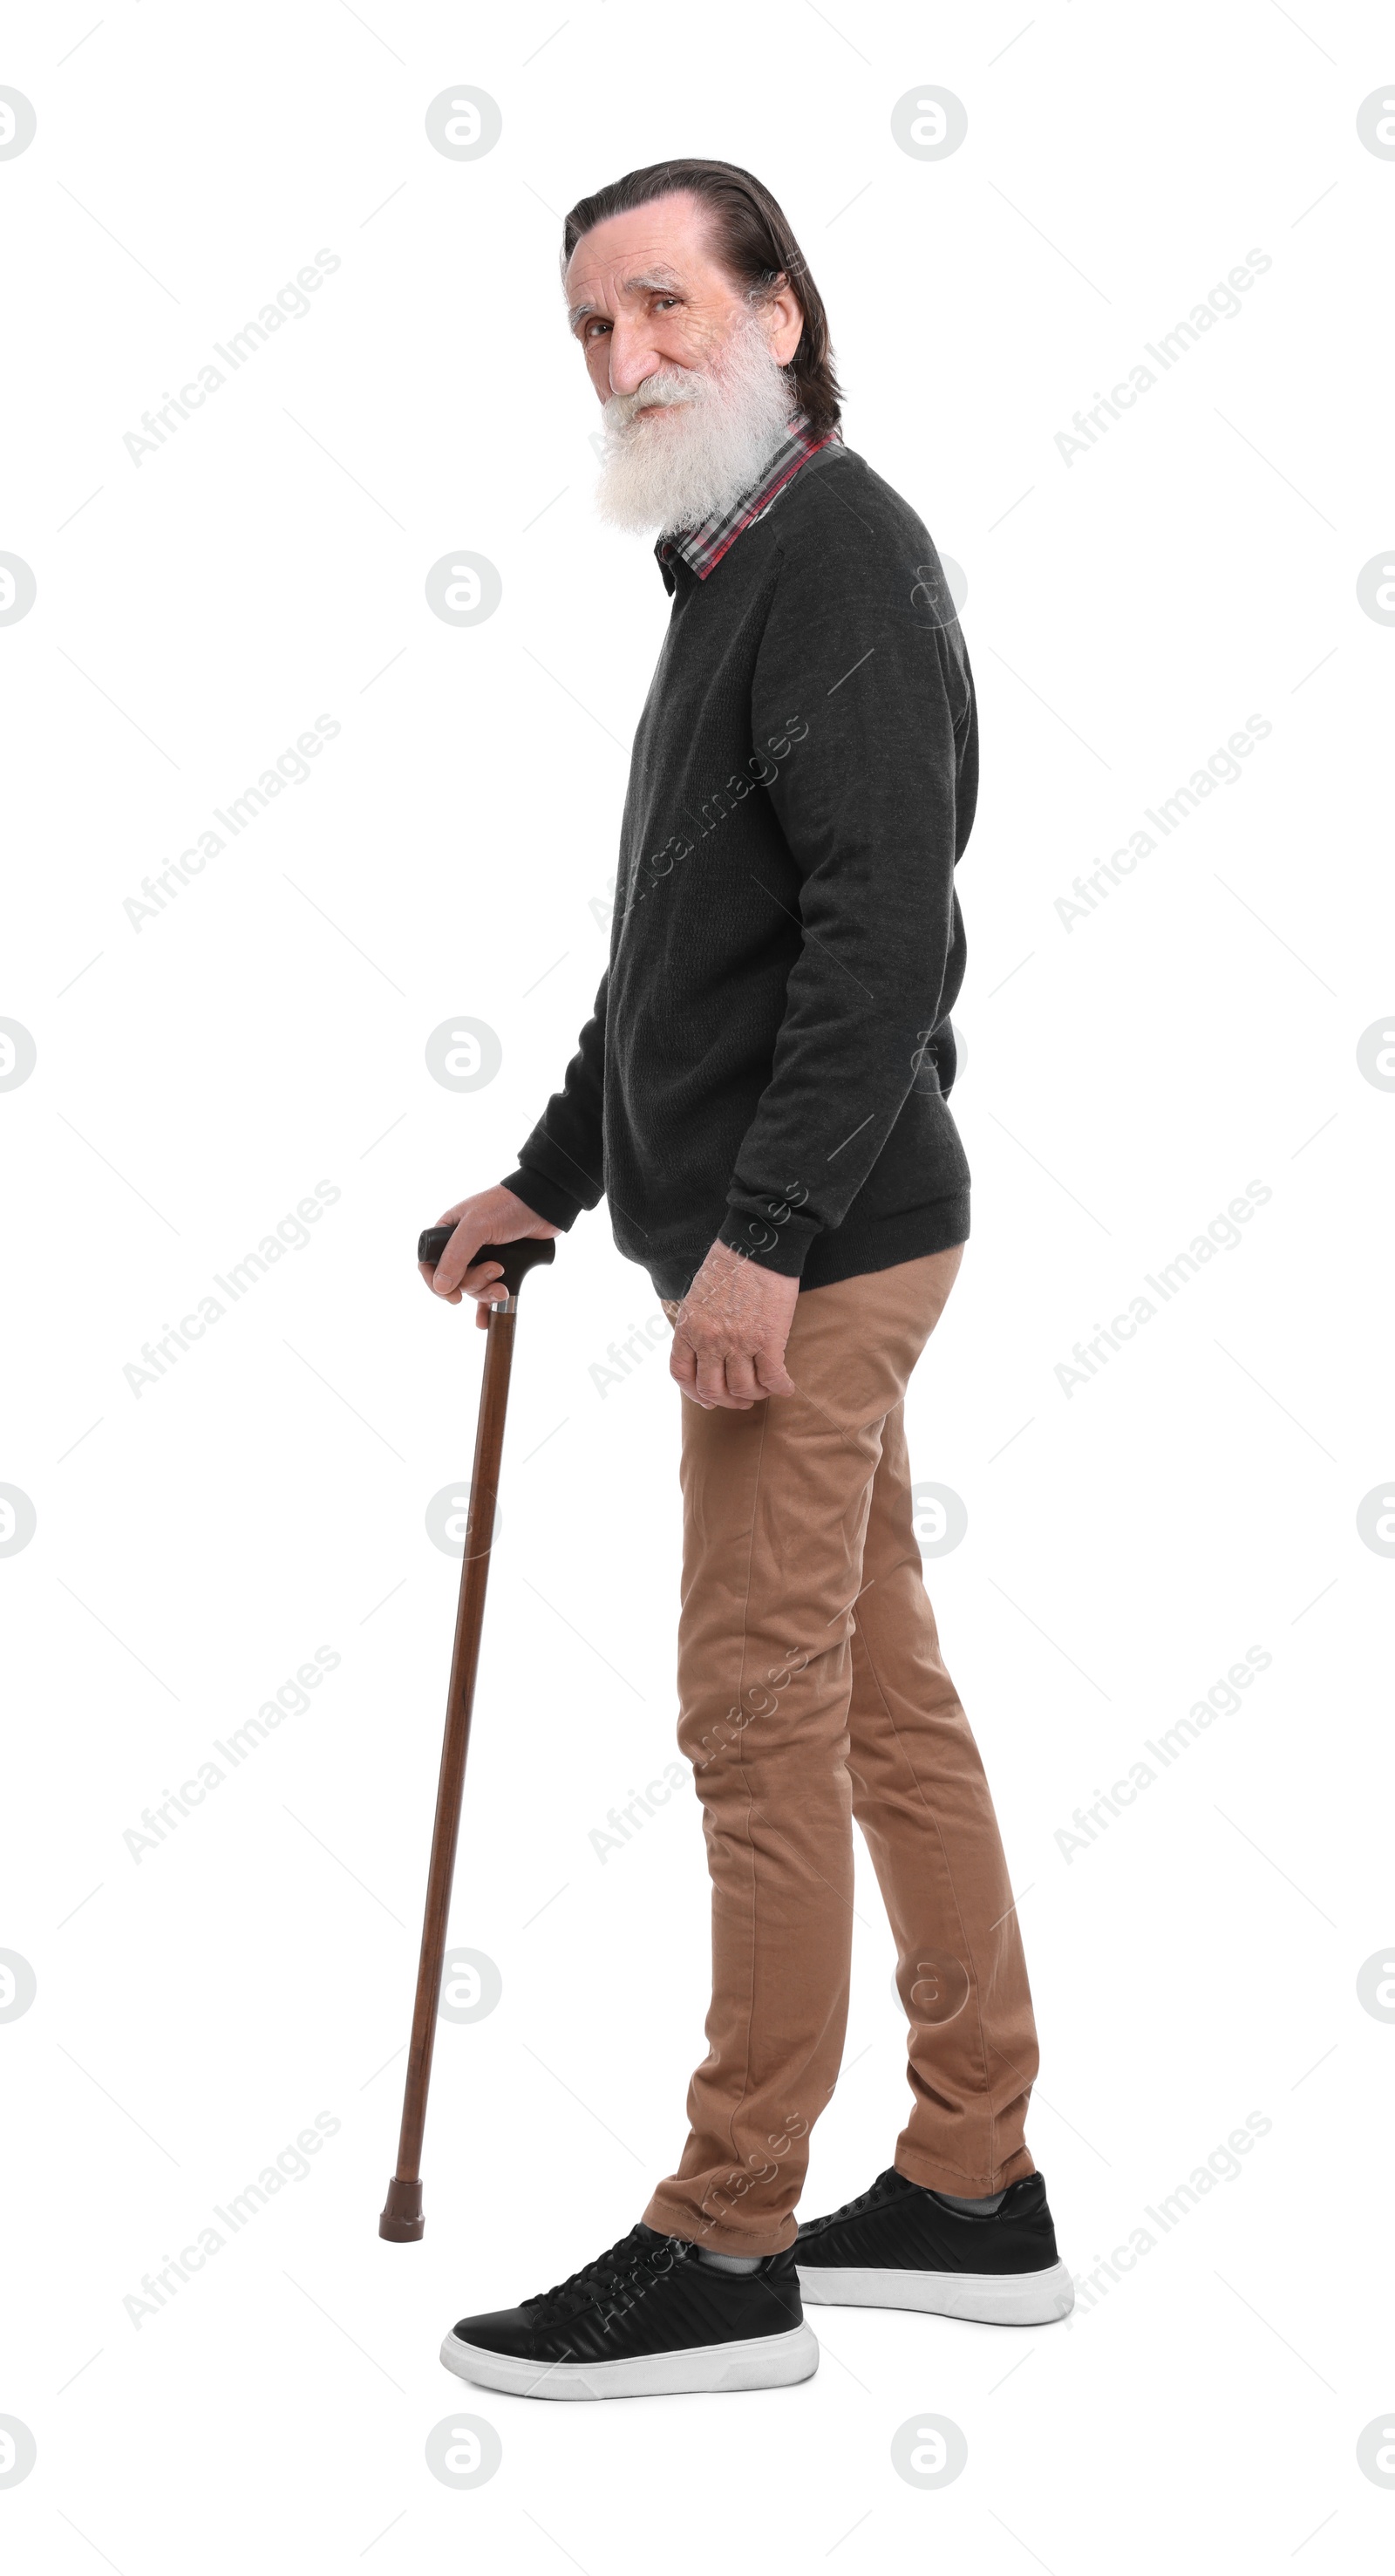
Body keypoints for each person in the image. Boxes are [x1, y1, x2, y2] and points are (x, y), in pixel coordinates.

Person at [426, 157, 1072, 2403]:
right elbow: (683, 958)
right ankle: (977, 2190)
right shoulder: (733, 560)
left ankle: (725, 2248)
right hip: (794, 1238)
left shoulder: (842, 562)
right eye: (594, 327)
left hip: (824, 1254)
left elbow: (889, 943)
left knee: (755, 1726)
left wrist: (760, 1251)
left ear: (781, 309)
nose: (628, 359)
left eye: (666, 306)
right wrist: (543, 1179)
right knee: (877, 1701)